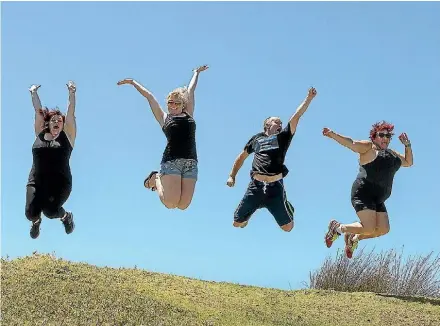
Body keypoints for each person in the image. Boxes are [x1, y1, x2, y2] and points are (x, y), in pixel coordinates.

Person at [117, 65, 208, 210]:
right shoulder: (164, 118)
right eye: (170, 102)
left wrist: (196, 73)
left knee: (183, 205)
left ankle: (160, 180)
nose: (172, 106)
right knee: (170, 204)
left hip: (191, 162)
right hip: (171, 162)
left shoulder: (189, 113)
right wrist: (133, 82)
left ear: (183, 104)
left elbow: (191, 90)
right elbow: (150, 97)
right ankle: (156, 178)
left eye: (176, 103)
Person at [226, 87, 318, 231]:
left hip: (275, 188)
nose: (280, 125)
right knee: (236, 223)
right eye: (277, 122)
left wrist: (309, 99)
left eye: (281, 124)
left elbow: (296, 117)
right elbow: (241, 157)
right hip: (255, 187)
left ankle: (286, 205)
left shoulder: (283, 137)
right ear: (267, 125)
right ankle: (247, 215)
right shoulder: (256, 139)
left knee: (288, 228)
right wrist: (232, 176)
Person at [323, 121, 413, 258]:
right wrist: (332, 134)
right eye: (381, 135)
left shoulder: (392, 154)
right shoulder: (368, 148)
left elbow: (408, 162)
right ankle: (337, 228)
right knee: (369, 227)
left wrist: (407, 145)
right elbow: (351, 143)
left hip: (378, 198)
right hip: (363, 193)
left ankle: (353, 238)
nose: (385, 138)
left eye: (388, 136)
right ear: (374, 136)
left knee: (383, 229)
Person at [26, 82, 77, 239]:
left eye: (59, 120)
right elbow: (37, 111)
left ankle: (66, 217)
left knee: (50, 211)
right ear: (48, 123)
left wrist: (72, 93)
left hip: (59, 184)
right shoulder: (39, 133)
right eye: (53, 120)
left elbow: (70, 113)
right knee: (30, 213)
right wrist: (33, 93)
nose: (57, 122)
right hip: (36, 180)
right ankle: (36, 222)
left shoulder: (67, 137)